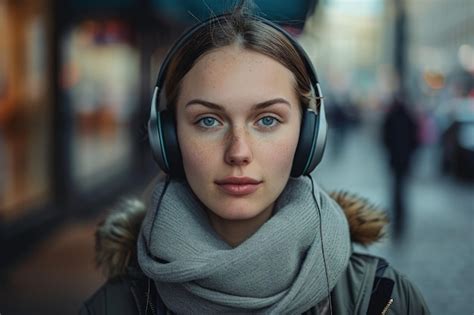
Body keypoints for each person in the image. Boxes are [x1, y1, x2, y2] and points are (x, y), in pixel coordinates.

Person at [80, 3, 429, 314]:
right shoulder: (114, 306)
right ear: (167, 139)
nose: (238, 152)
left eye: (267, 120)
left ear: (309, 137)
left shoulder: (383, 299)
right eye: (208, 121)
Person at [382, 94, 419, 238]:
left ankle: (397, 211)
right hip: (405, 159)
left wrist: (390, 150)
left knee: (396, 186)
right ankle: (400, 212)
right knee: (401, 186)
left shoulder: (391, 117)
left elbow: (384, 137)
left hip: (395, 158)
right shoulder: (409, 118)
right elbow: (415, 139)